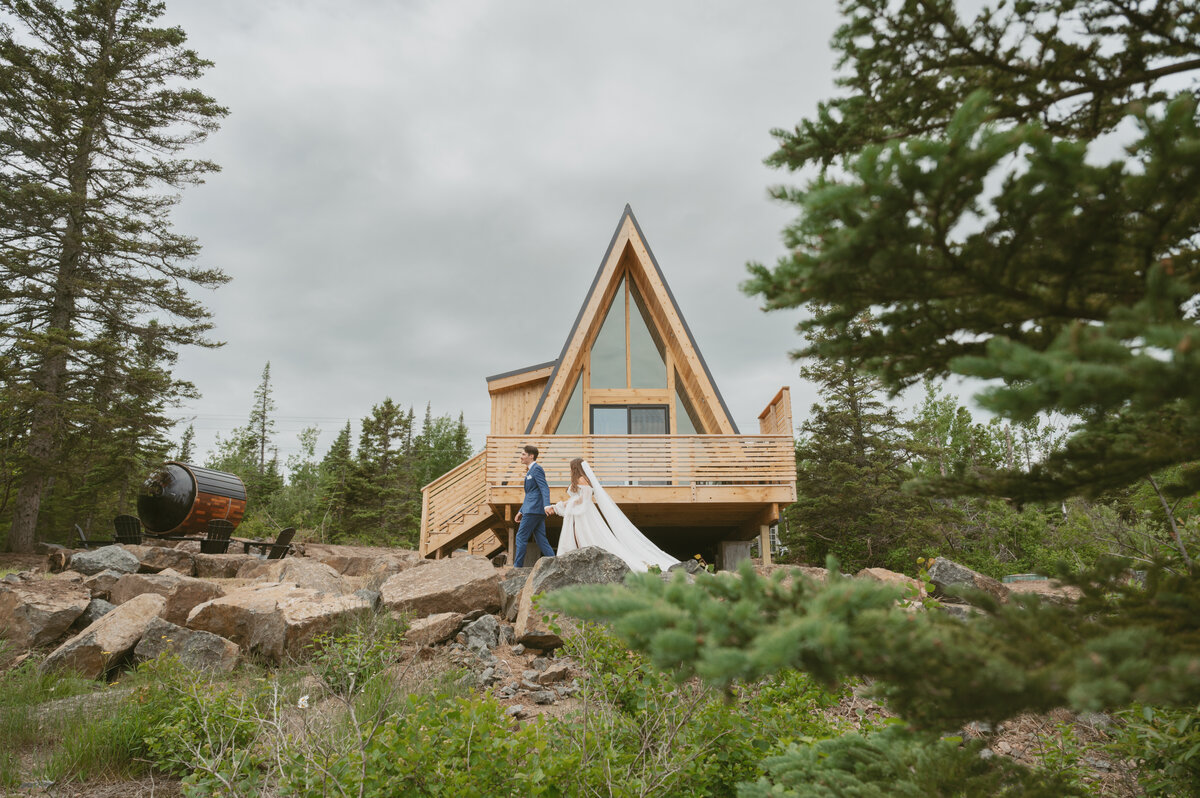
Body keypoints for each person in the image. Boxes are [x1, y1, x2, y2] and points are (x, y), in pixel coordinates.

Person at [554, 457, 678, 572]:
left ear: (575, 468)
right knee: (582, 533)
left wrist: (566, 505)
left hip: (585, 512)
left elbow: (584, 498)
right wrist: (562, 505)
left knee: (589, 533)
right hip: (579, 512)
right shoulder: (579, 479)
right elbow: (577, 498)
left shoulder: (581, 479)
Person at [513, 444, 555, 567]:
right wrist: (521, 511)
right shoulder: (530, 471)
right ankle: (555, 563)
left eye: (523, 454)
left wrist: (547, 505)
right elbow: (530, 493)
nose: (521, 457)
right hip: (532, 509)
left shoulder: (537, 469)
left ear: (531, 456)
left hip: (533, 510)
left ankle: (517, 567)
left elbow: (544, 488)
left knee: (520, 537)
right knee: (541, 539)